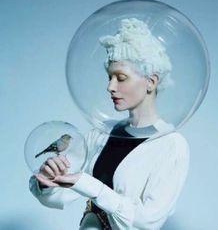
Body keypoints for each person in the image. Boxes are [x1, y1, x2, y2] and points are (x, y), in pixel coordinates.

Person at [29, 18, 189, 229]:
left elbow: (147, 222)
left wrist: (90, 186)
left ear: (151, 81)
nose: (110, 87)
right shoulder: (102, 133)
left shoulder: (171, 145)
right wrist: (48, 180)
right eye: (109, 77)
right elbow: (62, 192)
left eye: (120, 77)